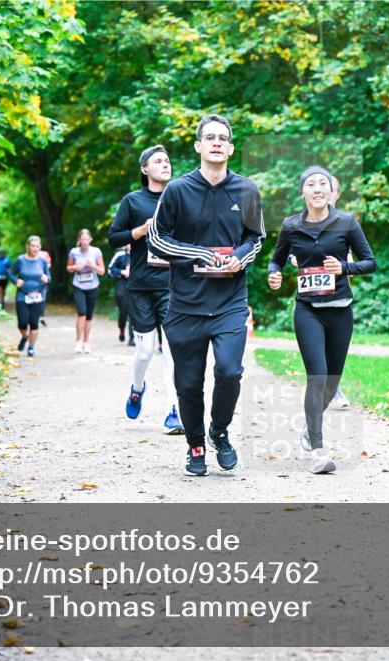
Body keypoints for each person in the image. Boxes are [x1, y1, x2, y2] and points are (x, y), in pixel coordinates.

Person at [148, 114, 265, 476]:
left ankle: (219, 430)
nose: (216, 142)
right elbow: (156, 239)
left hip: (230, 300)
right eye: (209, 137)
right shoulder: (178, 190)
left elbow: (254, 238)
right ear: (198, 146)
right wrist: (198, 253)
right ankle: (195, 445)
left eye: (223, 138)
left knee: (230, 371)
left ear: (230, 148)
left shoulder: (247, 190)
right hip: (185, 303)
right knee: (188, 383)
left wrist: (240, 259)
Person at [268, 166, 376, 473]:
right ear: (303, 192)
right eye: (311, 184)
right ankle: (318, 450)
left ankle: (308, 427)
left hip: (341, 309)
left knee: (331, 382)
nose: (317, 188)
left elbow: (370, 262)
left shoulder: (346, 222)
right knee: (317, 375)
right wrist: (274, 274)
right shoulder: (291, 226)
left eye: (323, 184)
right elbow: (277, 259)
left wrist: (343, 268)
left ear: (331, 192)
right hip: (308, 310)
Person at [108, 145, 183, 434]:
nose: (165, 164)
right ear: (144, 169)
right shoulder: (133, 201)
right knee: (145, 351)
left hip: (173, 287)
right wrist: (139, 232)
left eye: (167, 160)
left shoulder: (180, 198)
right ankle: (137, 387)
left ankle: (172, 411)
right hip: (140, 286)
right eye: (158, 161)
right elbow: (113, 237)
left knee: (173, 351)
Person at [326, 174, 352, 411]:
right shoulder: (302, 221)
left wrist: (346, 266)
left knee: (336, 347)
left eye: (330, 189)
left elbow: (357, 259)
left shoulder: (346, 222)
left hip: (340, 294)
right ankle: (332, 390)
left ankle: (332, 387)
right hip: (312, 297)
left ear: (337, 194)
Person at [8, 235, 51, 358]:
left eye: (37, 246)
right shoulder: (21, 260)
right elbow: (10, 273)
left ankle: (31, 347)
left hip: (38, 296)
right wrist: (16, 281)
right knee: (22, 323)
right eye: (32, 246)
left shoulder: (42, 261)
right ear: (28, 246)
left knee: (33, 323)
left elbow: (49, 277)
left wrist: (46, 279)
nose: (35, 249)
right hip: (22, 296)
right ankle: (24, 336)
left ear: (40, 247)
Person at [67, 229, 105, 354]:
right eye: (82, 239)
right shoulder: (74, 252)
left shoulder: (96, 251)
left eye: (86, 239)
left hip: (92, 286)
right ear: (79, 240)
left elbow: (102, 271)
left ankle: (86, 342)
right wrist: (76, 267)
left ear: (90, 240)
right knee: (81, 313)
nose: (84, 242)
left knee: (88, 316)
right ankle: (78, 342)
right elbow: (69, 268)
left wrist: (92, 265)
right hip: (78, 286)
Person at [108, 245, 133, 345]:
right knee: (124, 311)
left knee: (134, 311)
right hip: (122, 284)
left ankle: (132, 338)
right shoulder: (120, 255)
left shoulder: (140, 254)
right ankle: (122, 329)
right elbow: (110, 270)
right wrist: (122, 272)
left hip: (135, 284)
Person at [38, 247, 52, 326]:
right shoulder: (28, 256)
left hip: (43, 280)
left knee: (42, 298)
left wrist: (43, 269)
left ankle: (41, 317)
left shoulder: (45, 254)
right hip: (33, 280)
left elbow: (49, 264)